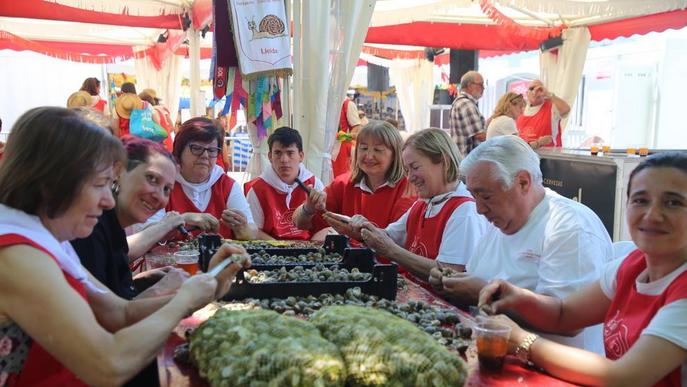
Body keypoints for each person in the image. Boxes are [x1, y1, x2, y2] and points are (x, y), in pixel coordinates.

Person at [0, 107, 249, 385]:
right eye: (100, 184)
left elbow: (119, 313)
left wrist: (209, 285)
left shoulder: (43, 237)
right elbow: (109, 364)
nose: (108, 201)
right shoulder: (17, 254)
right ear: (53, 182)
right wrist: (184, 300)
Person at [478, 152, 687, 386]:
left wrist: (521, 340)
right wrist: (516, 297)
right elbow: (564, 314)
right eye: (641, 200)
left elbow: (625, 378)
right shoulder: (632, 266)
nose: (652, 215)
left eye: (673, 203)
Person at [429, 135, 612, 351]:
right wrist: (451, 283)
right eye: (473, 196)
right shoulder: (500, 222)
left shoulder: (569, 225)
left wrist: (483, 294)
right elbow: (477, 277)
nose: (479, 209)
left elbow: (569, 323)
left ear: (523, 182)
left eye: (486, 196)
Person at [328, 128, 489, 286]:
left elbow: (450, 274)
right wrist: (361, 231)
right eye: (407, 170)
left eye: (415, 167)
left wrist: (393, 252)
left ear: (444, 161)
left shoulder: (464, 211)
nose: (410, 177)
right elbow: (389, 237)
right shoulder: (422, 204)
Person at [71, 136, 199, 300]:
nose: (159, 196)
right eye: (151, 178)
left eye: (167, 189)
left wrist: (142, 281)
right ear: (119, 172)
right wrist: (161, 288)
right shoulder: (91, 227)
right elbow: (106, 317)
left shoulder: (113, 226)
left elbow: (112, 293)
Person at [294, 120, 415, 243]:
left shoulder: (409, 189)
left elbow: (398, 240)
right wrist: (308, 208)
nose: (368, 156)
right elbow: (300, 223)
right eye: (363, 148)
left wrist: (360, 234)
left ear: (395, 154)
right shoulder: (343, 184)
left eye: (378, 150)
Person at [165, 117, 257, 240]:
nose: (205, 155)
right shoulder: (164, 183)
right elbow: (146, 232)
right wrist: (184, 218)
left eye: (212, 150)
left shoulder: (227, 186)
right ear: (179, 150)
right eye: (196, 148)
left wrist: (243, 228)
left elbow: (252, 233)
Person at [246, 127, 324, 240]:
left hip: (310, 251)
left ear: (301, 156)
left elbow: (323, 226)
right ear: (270, 157)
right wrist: (279, 249)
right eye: (278, 153)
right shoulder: (257, 189)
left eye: (290, 153)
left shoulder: (315, 184)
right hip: (271, 252)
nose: (284, 160)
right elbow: (253, 231)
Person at [516, 79, 570, 148]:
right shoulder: (520, 109)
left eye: (539, 89)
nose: (535, 92)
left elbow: (566, 109)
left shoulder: (552, 107)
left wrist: (548, 94)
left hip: (548, 156)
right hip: (525, 154)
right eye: (532, 89)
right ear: (527, 93)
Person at [449, 70, 486, 157]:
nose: (483, 88)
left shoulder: (461, 102)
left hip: (461, 158)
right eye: (480, 84)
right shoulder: (466, 104)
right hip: (467, 160)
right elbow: (480, 135)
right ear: (470, 85)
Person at [332, 96, 362, 177]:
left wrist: (346, 137)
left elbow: (356, 126)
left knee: (341, 176)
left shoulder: (347, 104)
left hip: (342, 148)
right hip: (328, 147)